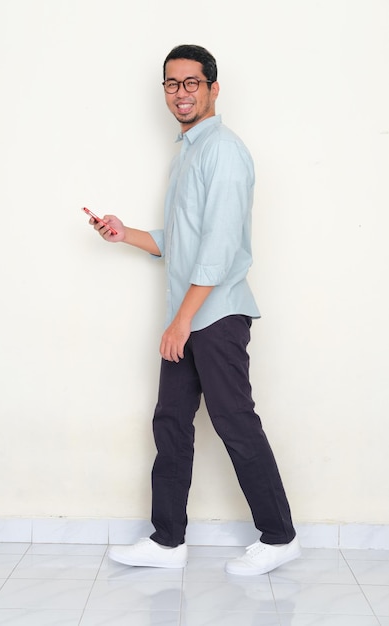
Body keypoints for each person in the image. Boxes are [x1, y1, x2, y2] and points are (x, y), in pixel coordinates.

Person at [89, 44, 300, 576]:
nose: (180, 93)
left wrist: (181, 321)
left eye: (191, 83)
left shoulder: (223, 151)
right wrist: (126, 234)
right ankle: (167, 542)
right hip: (188, 314)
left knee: (234, 422)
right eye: (171, 84)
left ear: (212, 88)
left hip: (216, 315)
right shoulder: (188, 152)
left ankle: (279, 538)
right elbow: (183, 243)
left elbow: (220, 247)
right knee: (171, 423)